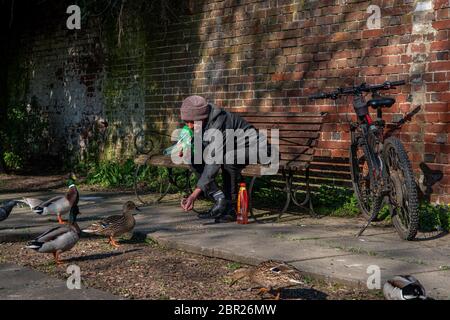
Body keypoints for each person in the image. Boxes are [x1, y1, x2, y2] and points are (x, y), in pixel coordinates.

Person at [179, 95, 258, 223]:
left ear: (202, 117)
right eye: (186, 122)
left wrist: (194, 195)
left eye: (192, 122)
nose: (190, 126)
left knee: (228, 159)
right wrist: (187, 147)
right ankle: (219, 199)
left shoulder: (219, 123)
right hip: (231, 149)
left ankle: (230, 208)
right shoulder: (201, 122)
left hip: (253, 147)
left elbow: (214, 160)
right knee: (194, 158)